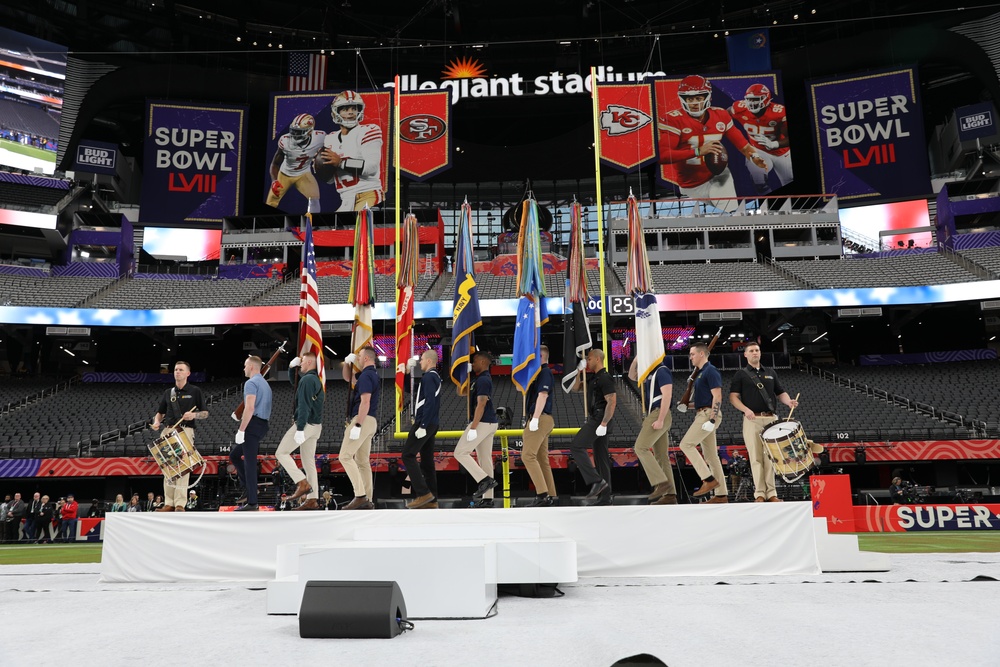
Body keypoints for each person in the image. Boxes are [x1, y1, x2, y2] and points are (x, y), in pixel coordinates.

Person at [658, 75, 768, 212]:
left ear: (708, 97)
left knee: (729, 211)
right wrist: (698, 151)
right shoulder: (673, 119)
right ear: (683, 99)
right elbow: (662, 156)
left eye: (698, 98)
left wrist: (754, 157)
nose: (694, 103)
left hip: (718, 175)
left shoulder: (720, 115)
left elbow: (743, 145)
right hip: (690, 186)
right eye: (690, 99)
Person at [728, 342, 799, 502]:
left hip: (771, 420)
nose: (755, 353)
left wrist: (789, 402)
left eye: (757, 350)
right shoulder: (741, 374)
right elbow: (733, 397)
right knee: (755, 458)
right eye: (751, 351)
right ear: (745, 354)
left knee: (771, 458)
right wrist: (745, 410)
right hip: (752, 420)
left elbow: (780, 392)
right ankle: (759, 493)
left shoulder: (771, 372)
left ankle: (772, 493)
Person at [151, 361, 208, 512]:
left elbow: (205, 413)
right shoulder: (168, 393)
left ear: (188, 373)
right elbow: (160, 412)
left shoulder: (195, 391)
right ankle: (169, 502)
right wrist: (157, 422)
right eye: (176, 369)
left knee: (183, 468)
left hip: (185, 431)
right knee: (168, 468)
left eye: (181, 370)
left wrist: (193, 415)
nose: (177, 372)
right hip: (168, 431)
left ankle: (180, 504)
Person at [315, 90, 384, 212]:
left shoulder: (369, 130)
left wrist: (341, 162)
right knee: (334, 230)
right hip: (346, 199)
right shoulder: (330, 138)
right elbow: (331, 180)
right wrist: (320, 166)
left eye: (354, 108)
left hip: (368, 195)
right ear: (336, 112)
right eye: (345, 109)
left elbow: (371, 167)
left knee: (360, 228)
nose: (351, 112)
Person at [678, 342, 728, 503]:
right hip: (703, 412)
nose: (690, 357)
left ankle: (708, 479)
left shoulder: (710, 371)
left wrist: (712, 418)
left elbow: (717, 396)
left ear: (701, 354)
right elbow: (704, 400)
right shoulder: (701, 373)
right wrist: (687, 405)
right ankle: (721, 495)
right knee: (711, 456)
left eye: (692, 354)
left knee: (685, 445)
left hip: (707, 415)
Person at [568, 349, 618, 506]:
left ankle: (596, 480)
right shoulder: (594, 378)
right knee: (601, 458)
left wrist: (603, 423)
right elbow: (576, 388)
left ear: (597, 359)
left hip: (600, 419)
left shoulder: (605, 378)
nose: (587, 362)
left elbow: (612, 401)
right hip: (598, 418)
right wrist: (578, 371)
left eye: (589, 359)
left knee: (576, 446)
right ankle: (605, 497)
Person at [276, 352, 324, 510]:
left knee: (281, 453)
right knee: (309, 463)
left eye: (302, 361)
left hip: (306, 424)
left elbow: (304, 405)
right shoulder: (311, 379)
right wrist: (291, 369)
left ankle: (302, 483)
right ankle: (312, 499)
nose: (300, 364)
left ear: (310, 362)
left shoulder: (308, 379)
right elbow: (297, 387)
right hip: (315, 426)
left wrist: (300, 427)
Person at [629, 356, 678, 505]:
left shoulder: (662, 371)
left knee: (640, 447)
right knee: (661, 456)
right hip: (656, 413)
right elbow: (632, 376)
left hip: (658, 413)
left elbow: (667, 395)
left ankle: (660, 482)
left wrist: (661, 419)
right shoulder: (651, 373)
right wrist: (636, 360)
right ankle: (670, 495)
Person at [728, 83, 792, 194]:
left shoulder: (778, 113)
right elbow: (723, 115)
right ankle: (769, 205)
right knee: (758, 181)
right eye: (750, 100)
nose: (752, 103)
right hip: (758, 150)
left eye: (756, 100)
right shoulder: (740, 108)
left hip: (782, 152)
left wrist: (774, 144)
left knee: (789, 181)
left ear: (766, 99)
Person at [456, 350, 500, 508]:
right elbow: (462, 393)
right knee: (484, 459)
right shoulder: (479, 379)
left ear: (482, 363)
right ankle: (488, 499)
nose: (472, 364)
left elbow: (481, 404)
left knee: (460, 452)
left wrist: (473, 427)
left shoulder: (483, 380)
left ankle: (485, 480)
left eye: (474, 361)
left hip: (482, 422)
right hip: (489, 423)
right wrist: (462, 376)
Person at [339, 346, 380, 510]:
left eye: (360, 355)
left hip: (362, 419)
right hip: (371, 421)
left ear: (367, 358)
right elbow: (348, 378)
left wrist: (357, 424)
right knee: (362, 461)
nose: (358, 357)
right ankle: (367, 499)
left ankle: (360, 496)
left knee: (345, 456)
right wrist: (347, 364)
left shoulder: (366, 377)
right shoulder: (371, 375)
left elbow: (365, 402)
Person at [231, 355, 272, 511]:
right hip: (262, 425)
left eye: (245, 365)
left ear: (252, 367)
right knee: (234, 456)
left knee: (249, 464)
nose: (244, 368)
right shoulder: (265, 384)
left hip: (253, 425)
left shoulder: (251, 383)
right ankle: (249, 487)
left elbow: (249, 408)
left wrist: (241, 429)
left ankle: (253, 502)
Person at [402, 350, 442, 509]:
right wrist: (406, 373)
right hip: (432, 423)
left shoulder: (430, 377)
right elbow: (411, 390)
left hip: (425, 422)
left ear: (430, 361)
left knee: (407, 455)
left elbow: (430, 402)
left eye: (422, 360)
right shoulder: (432, 378)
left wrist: (423, 425)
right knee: (426, 462)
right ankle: (432, 500)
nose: (420, 362)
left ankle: (423, 493)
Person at [265, 113, 326, 214]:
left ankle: (310, 225)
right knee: (271, 202)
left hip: (303, 174)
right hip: (284, 174)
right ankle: (267, 227)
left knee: (314, 199)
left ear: (310, 132)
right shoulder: (285, 141)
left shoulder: (320, 138)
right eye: (293, 131)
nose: (295, 135)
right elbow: (274, 164)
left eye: (299, 132)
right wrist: (274, 181)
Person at [522, 345, 558, 507]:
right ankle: (551, 495)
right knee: (541, 459)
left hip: (540, 418)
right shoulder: (539, 374)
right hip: (544, 418)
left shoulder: (544, 372)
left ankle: (543, 495)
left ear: (540, 357)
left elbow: (543, 395)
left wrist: (535, 418)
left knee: (528, 456)